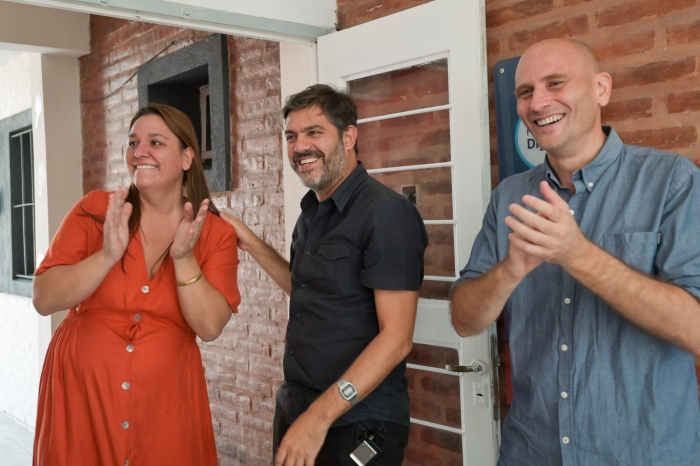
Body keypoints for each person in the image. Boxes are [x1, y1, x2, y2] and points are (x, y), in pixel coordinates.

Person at [451, 38, 700, 465]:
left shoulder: (672, 181)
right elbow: (464, 319)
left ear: (601, 88)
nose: (537, 102)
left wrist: (577, 254)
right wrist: (510, 270)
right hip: (532, 450)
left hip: (642, 453)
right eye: (525, 91)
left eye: (556, 83)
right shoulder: (509, 196)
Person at [222, 84, 428, 465]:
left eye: (314, 132)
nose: (300, 147)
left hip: (356, 424)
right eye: (291, 136)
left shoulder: (386, 213)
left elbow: (397, 339)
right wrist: (249, 241)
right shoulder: (312, 213)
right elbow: (303, 288)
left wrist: (319, 417)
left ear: (349, 137)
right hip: (297, 410)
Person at [31, 104, 240, 465]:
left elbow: (209, 327)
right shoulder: (96, 210)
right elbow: (44, 298)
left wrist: (183, 258)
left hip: (166, 403)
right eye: (132, 143)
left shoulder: (214, 232)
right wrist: (106, 257)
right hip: (81, 397)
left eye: (155, 142)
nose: (139, 152)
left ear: (187, 157)